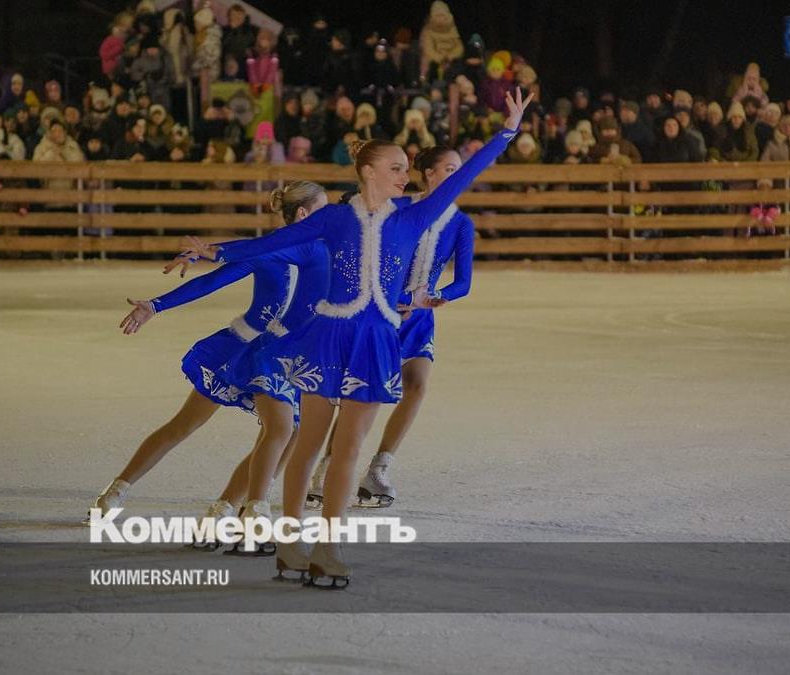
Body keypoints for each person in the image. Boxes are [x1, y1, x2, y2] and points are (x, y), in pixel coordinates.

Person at [177, 89, 533, 588]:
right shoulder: (334, 218)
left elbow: (465, 176)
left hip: (375, 339)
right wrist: (215, 251)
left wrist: (506, 133)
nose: (406, 175)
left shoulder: (414, 217)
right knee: (307, 443)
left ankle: (328, 547)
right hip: (328, 335)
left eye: (407, 169)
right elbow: (273, 243)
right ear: (368, 172)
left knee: (347, 450)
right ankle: (290, 542)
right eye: (396, 168)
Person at [86, 182, 330, 531]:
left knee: (287, 431)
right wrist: (156, 305)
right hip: (243, 350)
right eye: (323, 209)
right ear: (304, 214)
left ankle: (231, 506)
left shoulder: (322, 248)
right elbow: (212, 282)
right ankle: (116, 491)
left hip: (288, 356)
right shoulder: (269, 252)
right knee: (186, 424)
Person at [307, 145, 475, 509]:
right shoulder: (396, 208)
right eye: (449, 169)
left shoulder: (461, 223)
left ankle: (379, 468)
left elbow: (464, 282)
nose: (457, 176)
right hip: (378, 312)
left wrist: (434, 297)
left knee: (416, 385)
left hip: (419, 317)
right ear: (429, 173)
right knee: (357, 393)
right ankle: (326, 469)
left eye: (459, 170)